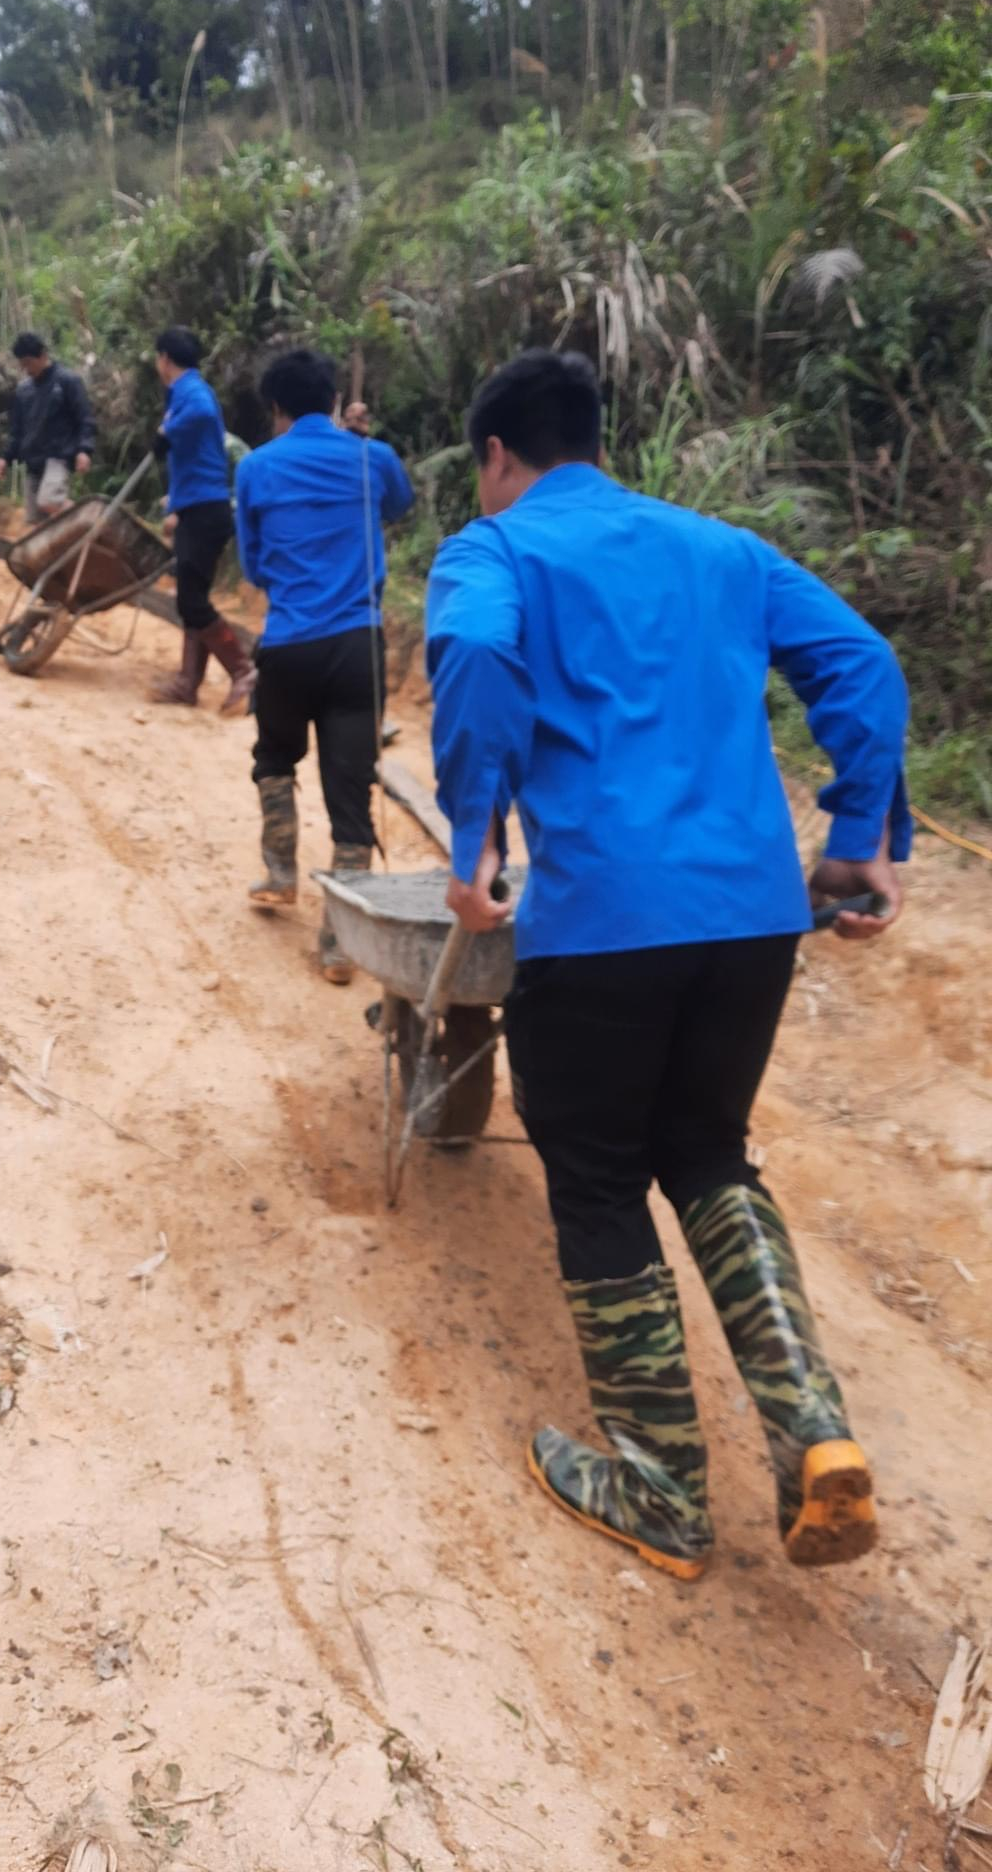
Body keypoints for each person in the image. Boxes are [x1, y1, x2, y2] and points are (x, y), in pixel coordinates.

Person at [426, 348, 910, 1581]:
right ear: (596, 437)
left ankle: (658, 1480)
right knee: (706, 1150)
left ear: (496, 457)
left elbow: (477, 661)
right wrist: (858, 840)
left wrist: (475, 834)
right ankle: (814, 1428)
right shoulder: (724, 549)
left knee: (593, 1175)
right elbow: (861, 663)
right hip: (751, 919)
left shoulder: (494, 551)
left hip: (604, 918)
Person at [235, 349, 413, 982]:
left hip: (288, 642)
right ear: (335, 401)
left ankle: (280, 870)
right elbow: (399, 502)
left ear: (276, 408)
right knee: (350, 787)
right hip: (356, 646)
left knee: (275, 757)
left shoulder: (255, 468)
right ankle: (341, 942)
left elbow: (254, 567)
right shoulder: (372, 458)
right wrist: (360, 440)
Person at [148, 326, 253, 713]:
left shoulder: (192, 391)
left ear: (165, 358)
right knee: (192, 595)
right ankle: (187, 682)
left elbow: (205, 413)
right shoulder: (180, 393)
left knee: (191, 600)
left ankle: (243, 670)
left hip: (207, 509)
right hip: (196, 505)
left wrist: (168, 431)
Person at [0, 333, 95, 522]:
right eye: (22, 364)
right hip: (32, 460)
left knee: (49, 502)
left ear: (43, 355)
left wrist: (84, 449)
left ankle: (92, 521)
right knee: (35, 522)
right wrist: (4, 458)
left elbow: (85, 418)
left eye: (29, 362)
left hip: (59, 456)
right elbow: (16, 430)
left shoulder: (67, 381)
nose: (26, 369)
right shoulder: (23, 391)